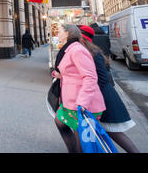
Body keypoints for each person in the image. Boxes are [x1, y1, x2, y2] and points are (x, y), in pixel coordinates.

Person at [78, 25, 140, 153]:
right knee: (104, 131)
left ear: (82, 39)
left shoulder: (89, 53)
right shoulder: (93, 51)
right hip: (103, 94)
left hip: (104, 97)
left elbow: (98, 78)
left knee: (114, 132)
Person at [51, 24, 106, 153]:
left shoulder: (77, 50)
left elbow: (90, 77)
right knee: (60, 121)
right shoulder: (69, 49)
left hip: (81, 103)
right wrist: (58, 74)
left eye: (59, 31)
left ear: (67, 33)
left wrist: (82, 102)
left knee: (83, 143)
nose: (57, 34)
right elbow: (70, 69)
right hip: (70, 101)